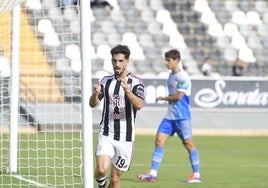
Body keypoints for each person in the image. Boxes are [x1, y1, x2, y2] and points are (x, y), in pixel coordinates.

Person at [137, 49, 201, 183]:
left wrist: (163, 98)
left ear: (176, 60)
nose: (166, 63)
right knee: (159, 140)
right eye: (165, 60)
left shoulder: (183, 76)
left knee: (188, 144)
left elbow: (179, 96)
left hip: (182, 117)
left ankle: (196, 175)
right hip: (170, 116)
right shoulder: (171, 75)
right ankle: (152, 174)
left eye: (168, 60)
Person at [89, 44, 145, 188]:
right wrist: (95, 94)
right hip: (107, 133)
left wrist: (127, 90)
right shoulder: (106, 81)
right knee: (101, 169)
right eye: (114, 61)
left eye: (120, 61)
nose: (117, 64)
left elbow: (139, 105)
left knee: (115, 179)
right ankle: (101, 183)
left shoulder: (136, 82)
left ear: (127, 61)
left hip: (126, 138)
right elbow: (92, 104)